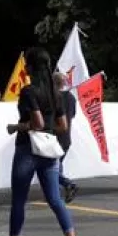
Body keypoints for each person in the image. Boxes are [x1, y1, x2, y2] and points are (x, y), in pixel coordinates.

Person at [0, 46, 80, 236]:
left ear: (30, 67)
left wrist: (16, 127)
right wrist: (47, 130)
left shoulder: (29, 91)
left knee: (19, 200)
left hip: (27, 150)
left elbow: (37, 122)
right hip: (49, 150)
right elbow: (62, 126)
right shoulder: (57, 94)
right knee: (55, 200)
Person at [53, 70, 79, 203]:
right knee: (57, 164)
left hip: (54, 136)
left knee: (50, 167)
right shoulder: (71, 97)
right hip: (66, 137)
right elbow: (73, 115)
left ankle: (67, 184)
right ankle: (57, 191)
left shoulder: (53, 97)